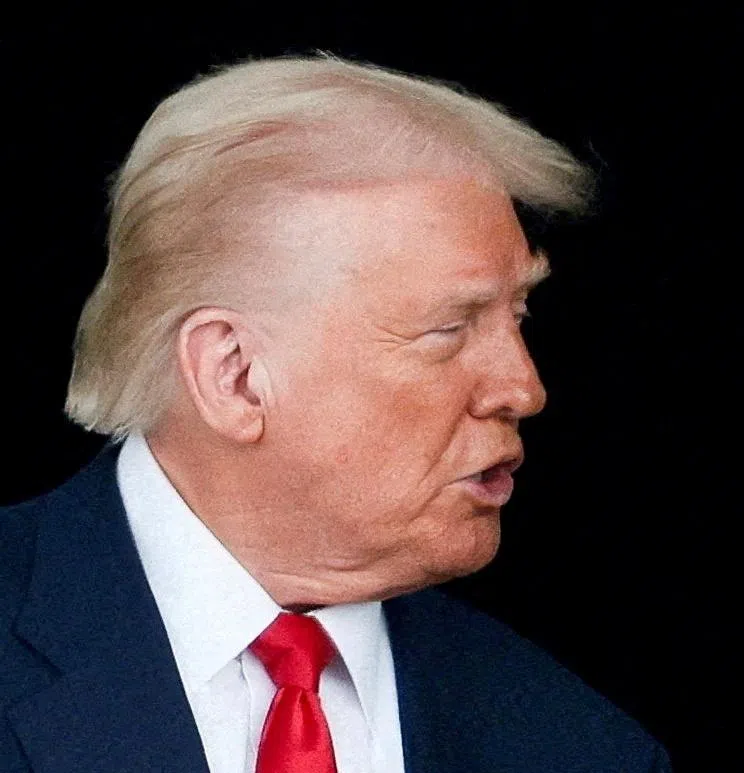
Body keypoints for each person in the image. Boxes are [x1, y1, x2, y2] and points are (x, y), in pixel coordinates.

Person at [0, 54, 672, 772]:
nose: (522, 388)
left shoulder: (577, 746)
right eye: (450, 329)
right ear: (235, 375)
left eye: (517, 316)